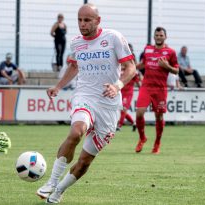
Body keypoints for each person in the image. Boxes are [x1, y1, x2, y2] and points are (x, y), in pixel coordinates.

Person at [36, 3, 136, 204]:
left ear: (98, 20)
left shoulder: (113, 37)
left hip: (108, 105)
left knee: (83, 163)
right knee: (76, 132)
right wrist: (58, 86)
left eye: (87, 20)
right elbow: (74, 67)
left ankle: (58, 192)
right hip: (85, 96)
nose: (82, 24)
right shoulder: (76, 43)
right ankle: (51, 182)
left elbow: (130, 67)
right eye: (80, 20)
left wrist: (117, 86)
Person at [135, 27, 179, 154]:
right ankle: (142, 138)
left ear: (165, 37)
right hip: (146, 86)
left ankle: (157, 143)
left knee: (159, 117)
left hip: (160, 89)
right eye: (157, 35)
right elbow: (143, 64)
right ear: (154, 37)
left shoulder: (171, 52)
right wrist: (129, 67)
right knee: (139, 113)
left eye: (161, 35)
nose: (159, 37)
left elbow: (176, 70)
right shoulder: (148, 49)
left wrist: (167, 66)